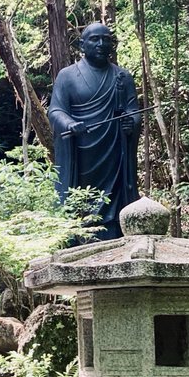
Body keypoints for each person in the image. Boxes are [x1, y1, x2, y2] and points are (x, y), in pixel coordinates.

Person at [48, 22, 141, 239]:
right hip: (81, 155)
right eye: (94, 39)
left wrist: (131, 123)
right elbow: (55, 110)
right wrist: (69, 123)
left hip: (114, 155)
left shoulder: (122, 77)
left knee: (114, 202)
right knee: (80, 201)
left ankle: (114, 234)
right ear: (82, 44)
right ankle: (78, 237)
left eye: (106, 39)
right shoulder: (67, 76)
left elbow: (133, 111)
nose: (101, 44)